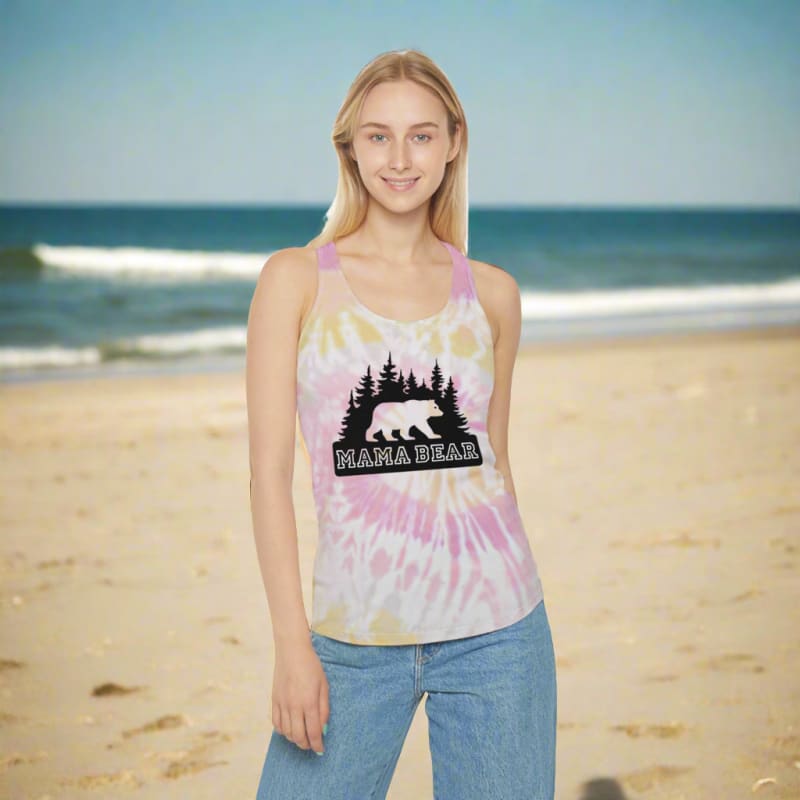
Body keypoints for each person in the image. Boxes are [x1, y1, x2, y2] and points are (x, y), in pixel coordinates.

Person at [246, 48, 556, 800]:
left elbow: (494, 465)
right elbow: (266, 479)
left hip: (497, 633)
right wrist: (293, 645)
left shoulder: (492, 296)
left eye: (421, 135)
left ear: (454, 143)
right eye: (378, 136)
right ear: (349, 147)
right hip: (351, 643)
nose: (399, 157)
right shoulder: (295, 280)